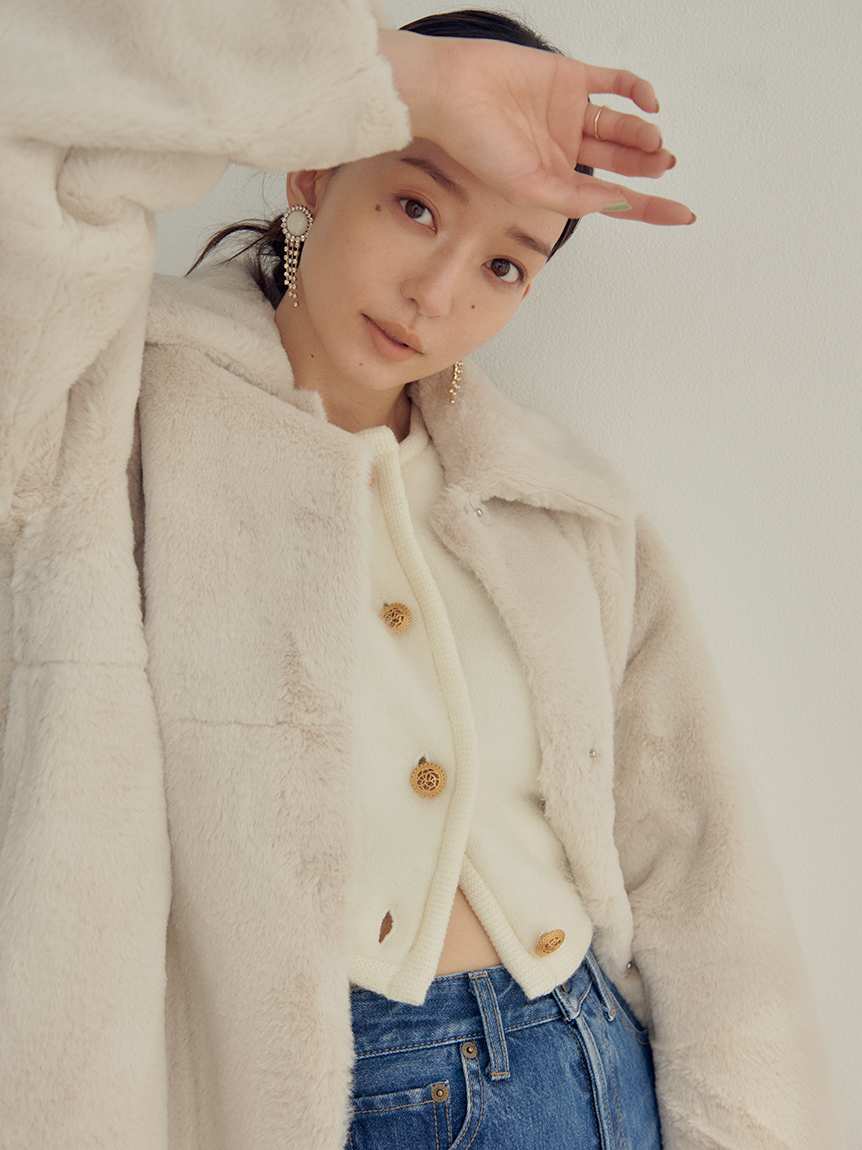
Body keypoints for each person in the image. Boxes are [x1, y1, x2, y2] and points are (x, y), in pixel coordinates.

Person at [0, 3, 841, 1149]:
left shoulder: (561, 511)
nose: (438, 292)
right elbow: (37, 97)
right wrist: (377, 71)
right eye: (415, 205)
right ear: (312, 169)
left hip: (588, 1075)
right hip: (295, 1097)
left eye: (503, 263)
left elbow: (703, 874)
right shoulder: (91, 406)